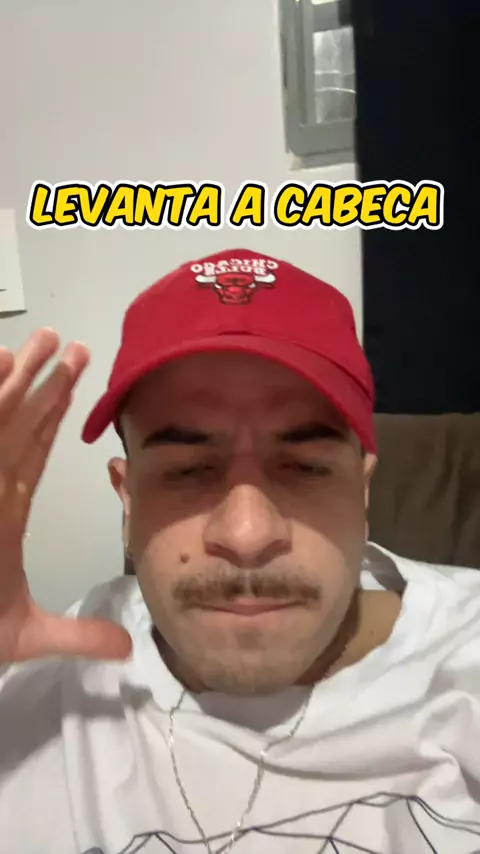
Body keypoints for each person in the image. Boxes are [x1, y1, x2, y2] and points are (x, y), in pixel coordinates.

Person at [1, 249, 480, 854]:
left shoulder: (464, 663)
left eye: (305, 466)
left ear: (361, 491)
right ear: (128, 498)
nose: (248, 535)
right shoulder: (44, 688)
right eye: (187, 469)